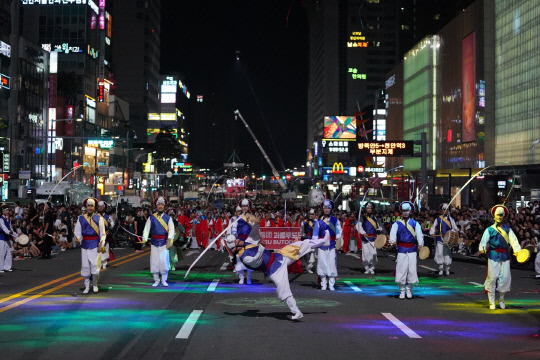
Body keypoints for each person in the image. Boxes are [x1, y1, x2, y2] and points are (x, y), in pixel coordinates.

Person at [225, 226, 328, 320]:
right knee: (283, 291)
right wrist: (261, 247)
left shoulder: (245, 243)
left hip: (280, 256)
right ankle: (297, 312)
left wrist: (250, 221)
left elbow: (252, 230)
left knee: (301, 244)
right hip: (274, 270)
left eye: (236, 238)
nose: (238, 239)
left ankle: (323, 241)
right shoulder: (245, 258)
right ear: (236, 247)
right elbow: (256, 260)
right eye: (236, 240)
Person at [479, 205, 522, 310]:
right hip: (493, 255)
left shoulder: (508, 229)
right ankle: (492, 301)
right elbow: (484, 241)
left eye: (501, 215)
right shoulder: (490, 229)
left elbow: (514, 241)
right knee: (492, 278)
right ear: (494, 216)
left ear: (504, 216)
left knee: (505, 278)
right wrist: (483, 248)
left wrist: (517, 251)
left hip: (505, 256)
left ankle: (501, 299)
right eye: (498, 215)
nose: (499, 217)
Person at [388, 201, 424, 299]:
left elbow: (419, 235)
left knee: (411, 270)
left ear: (410, 211)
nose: (405, 212)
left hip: (412, 249)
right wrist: (392, 241)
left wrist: (420, 244)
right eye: (403, 211)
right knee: (401, 270)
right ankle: (402, 291)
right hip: (401, 249)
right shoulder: (397, 224)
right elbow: (392, 235)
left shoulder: (415, 223)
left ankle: (409, 290)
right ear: (401, 212)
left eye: (407, 211)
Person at [74, 198, 107, 293]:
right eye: (88, 206)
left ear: (94, 207)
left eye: (91, 206)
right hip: (85, 244)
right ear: (86, 207)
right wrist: (78, 238)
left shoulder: (99, 218)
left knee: (95, 265)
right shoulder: (81, 218)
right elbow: (77, 231)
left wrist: (102, 242)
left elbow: (102, 233)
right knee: (85, 266)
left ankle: (95, 284)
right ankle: (87, 286)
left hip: (95, 244)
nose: (90, 208)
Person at [142, 197, 175, 287]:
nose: (160, 206)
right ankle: (156, 279)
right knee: (155, 261)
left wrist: (170, 239)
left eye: (162, 205)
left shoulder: (168, 218)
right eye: (158, 205)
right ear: (156, 206)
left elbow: (171, 229)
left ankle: (164, 279)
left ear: (164, 206)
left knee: (164, 261)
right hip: (154, 243)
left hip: (164, 242)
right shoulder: (151, 218)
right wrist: (144, 238)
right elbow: (147, 228)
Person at [313, 199, 342, 291]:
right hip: (322, 247)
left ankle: (331, 284)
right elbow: (315, 234)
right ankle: (323, 284)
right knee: (322, 264)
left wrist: (338, 239)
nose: (326, 210)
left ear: (331, 209)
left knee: (331, 264)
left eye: (328, 208)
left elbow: (338, 232)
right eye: (325, 208)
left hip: (332, 246)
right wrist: (315, 242)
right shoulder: (319, 221)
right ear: (323, 209)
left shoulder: (335, 220)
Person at [230, 199, 256, 284]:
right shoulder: (237, 218)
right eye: (243, 206)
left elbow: (255, 229)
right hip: (240, 239)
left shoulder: (252, 217)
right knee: (239, 258)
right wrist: (234, 235)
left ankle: (249, 278)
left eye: (246, 206)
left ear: (249, 207)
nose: (245, 208)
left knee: (250, 259)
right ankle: (241, 278)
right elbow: (234, 228)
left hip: (250, 240)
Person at [429, 203, 459, 276]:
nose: (445, 211)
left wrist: (452, 233)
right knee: (440, 253)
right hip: (440, 238)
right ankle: (441, 269)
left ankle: (447, 269)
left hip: (448, 240)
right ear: (442, 211)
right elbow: (433, 227)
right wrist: (432, 232)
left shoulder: (451, 219)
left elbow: (455, 228)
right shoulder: (438, 219)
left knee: (447, 254)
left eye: (447, 210)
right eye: (444, 210)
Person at [357, 202, 384, 274]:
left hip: (374, 238)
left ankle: (372, 267)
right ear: (366, 209)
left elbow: (380, 227)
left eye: (370, 208)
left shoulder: (375, 218)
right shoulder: (362, 218)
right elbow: (358, 226)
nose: (369, 210)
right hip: (365, 238)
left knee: (373, 253)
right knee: (366, 254)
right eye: (368, 208)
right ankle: (366, 267)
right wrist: (363, 233)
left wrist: (380, 231)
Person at [97, 201, 114, 269]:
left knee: (105, 249)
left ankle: (104, 262)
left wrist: (109, 224)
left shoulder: (107, 217)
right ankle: (99, 262)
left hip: (105, 235)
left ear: (104, 207)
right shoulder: (96, 216)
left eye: (101, 206)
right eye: (99, 206)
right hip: (97, 235)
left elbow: (112, 225)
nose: (100, 208)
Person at [0, 204, 16, 272]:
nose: (7, 211)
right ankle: (0, 268)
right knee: (2, 253)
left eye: (7, 210)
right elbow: (4, 228)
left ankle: (7, 267)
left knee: (9, 252)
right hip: (2, 238)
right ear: (3, 211)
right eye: (6, 210)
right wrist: (9, 232)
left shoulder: (8, 219)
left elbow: (10, 228)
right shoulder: (1, 219)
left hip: (7, 238)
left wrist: (16, 235)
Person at [301, 209, 317, 273]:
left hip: (314, 240)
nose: (311, 215)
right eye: (310, 214)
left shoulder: (317, 222)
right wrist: (304, 236)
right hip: (306, 240)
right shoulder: (304, 222)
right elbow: (302, 232)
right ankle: (307, 266)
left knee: (313, 254)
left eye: (312, 214)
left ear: (315, 215)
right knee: (306, 254)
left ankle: (310, 266)